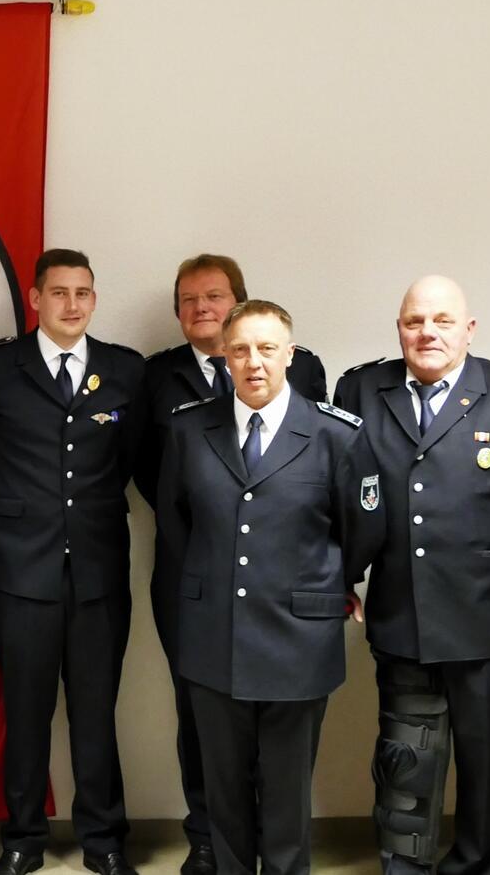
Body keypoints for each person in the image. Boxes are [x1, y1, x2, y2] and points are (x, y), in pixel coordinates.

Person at [157, 300, 377, 875]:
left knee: (285, 801)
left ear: (290, 354)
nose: (254, 362)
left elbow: (360, 533)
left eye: (266, 349)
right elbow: (176, 523)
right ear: (225, 357)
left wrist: (329, 586)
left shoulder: (335, 435)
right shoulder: (188, 429)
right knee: (223, 796)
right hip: (214, 638)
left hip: (298, 640)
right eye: (240, 350)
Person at [134, 253, 327, 875]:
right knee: (206, 721)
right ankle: (208, 840)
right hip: (197, 579)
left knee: (282, 745)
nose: (202, 309)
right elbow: (161, 485)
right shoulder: (159, 377)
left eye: (214, 297)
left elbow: (327, 483)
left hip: (286, 592)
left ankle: (278, 852)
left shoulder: (307, 373)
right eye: (188, 300)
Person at [0, 248, 146, 875]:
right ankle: (22, 841)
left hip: (96, 569)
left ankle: (104, 842)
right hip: (20, 571)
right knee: (25, 711)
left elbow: (124, 464)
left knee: (96, 712)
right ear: (35, 298)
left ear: (94, 300)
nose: (72, 304)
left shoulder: (125, 371)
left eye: (83, 293)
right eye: (60, 292)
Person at [335, 275, 490, 875]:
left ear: (469, 330)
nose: (427, 333)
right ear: (399, 328)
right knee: (404, 757)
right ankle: (405, 866)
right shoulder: (362, 389)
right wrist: (339, 574)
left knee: (488, 764)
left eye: (443, 321)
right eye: (415, 321)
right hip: (403, 613)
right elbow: (336, 492)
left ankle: (475, 866)